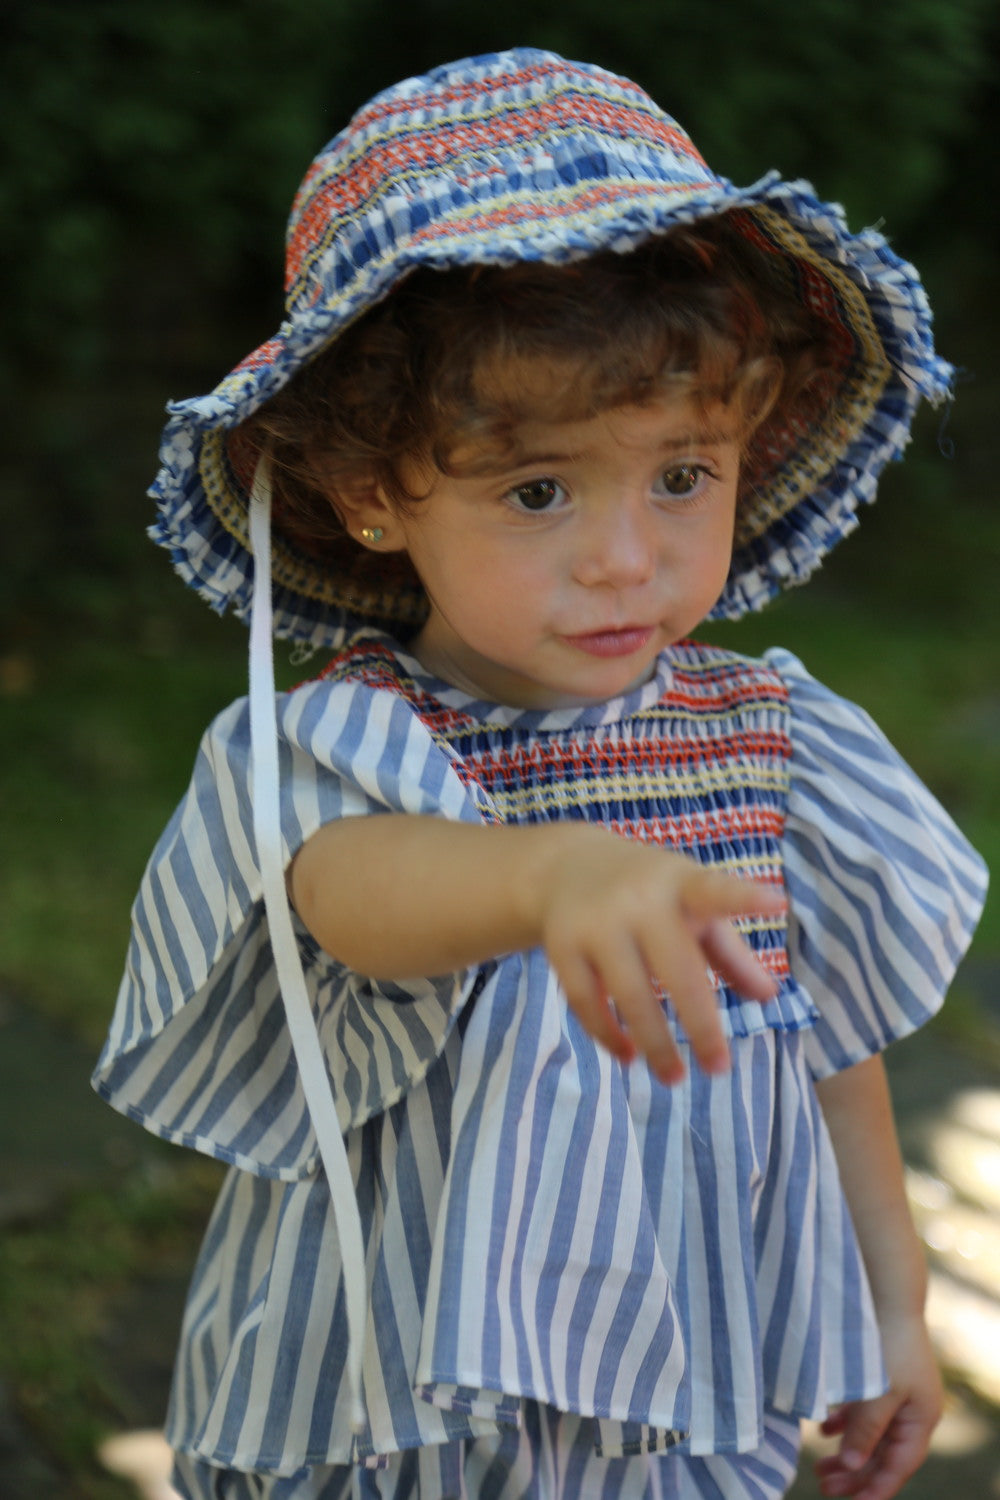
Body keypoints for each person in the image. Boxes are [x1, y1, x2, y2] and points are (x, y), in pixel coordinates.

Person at [93, 48, 988, 1500]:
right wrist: (548, 874)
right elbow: (351, 895)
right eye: (538, 490)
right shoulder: (361, 738)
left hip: (687, 1373)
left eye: (681, 476)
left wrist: (892, 1304)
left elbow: (834, 1056)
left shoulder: (775, 745)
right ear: (377, 495)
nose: (626, 556)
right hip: (400, 1386)